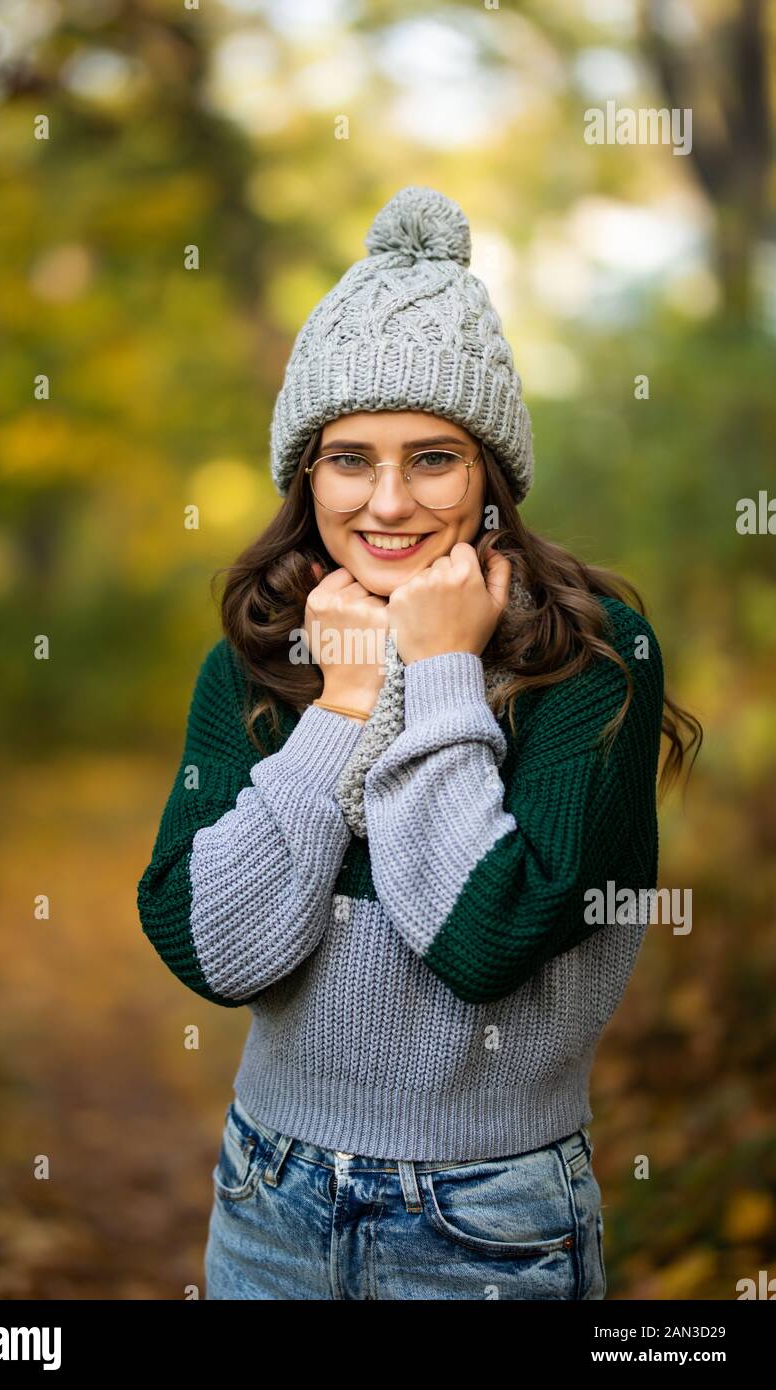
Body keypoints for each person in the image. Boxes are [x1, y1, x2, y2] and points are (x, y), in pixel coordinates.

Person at [136, 186, 701, 1300]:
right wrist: (341, 705)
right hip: (267, 1197)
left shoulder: (590, 657)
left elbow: (485, 939)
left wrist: (439, 669)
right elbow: (213, 952)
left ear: (489, 470)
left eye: (431, 457)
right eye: (348, 458)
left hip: (487, 1216)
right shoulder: (254, 659)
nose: (386, 501)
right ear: (306, 475)